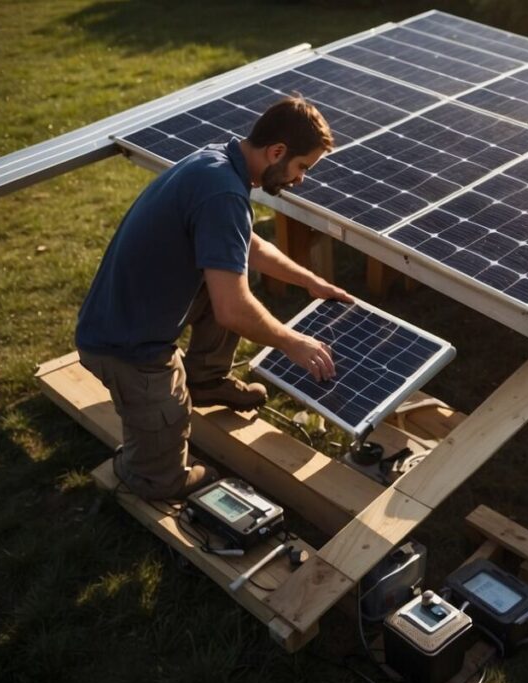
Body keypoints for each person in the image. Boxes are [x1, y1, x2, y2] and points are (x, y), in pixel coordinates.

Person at [76, 96, 352, 501]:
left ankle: (204, 381)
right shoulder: (223, 193)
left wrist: (310, 280)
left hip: (131, 314)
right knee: (160, 477)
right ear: (277, 152)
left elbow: (247, 244)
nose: (300, 179)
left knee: (227, 272)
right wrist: (293, 342)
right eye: (301, 167)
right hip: (127, 346)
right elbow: (232, 309)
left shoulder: (218, 160)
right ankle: (148, 469)